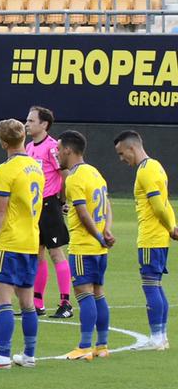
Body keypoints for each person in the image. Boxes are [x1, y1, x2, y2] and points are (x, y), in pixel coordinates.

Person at [0, 119, 45, 369]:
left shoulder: (7, 169)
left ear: (3, 143)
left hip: (10, 242)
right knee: (27, 301)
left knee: (2, 295)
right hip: (30, 241)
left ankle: (3, 355)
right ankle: (29, 355)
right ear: (23, 137)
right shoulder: (36, 167)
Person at [113, 130, 177, 350]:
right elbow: (166, 203)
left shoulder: (146, 170)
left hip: (151, 237)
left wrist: (171, 227)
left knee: (150, 286)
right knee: (156, 285)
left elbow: (158, 206)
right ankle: (161, 337)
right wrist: (172, 227)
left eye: (122, 153)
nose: (121, 159)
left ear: (132, 148)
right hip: (159, 237)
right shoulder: (155, 166)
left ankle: (156, 338)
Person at [59, 131, 115, 360]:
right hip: (100, 249)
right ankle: (102, 346)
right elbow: (106, 204)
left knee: (84, 294)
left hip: (84, 246)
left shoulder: (73, 178)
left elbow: (83, 214)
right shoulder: (94, 172)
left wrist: (99, 236)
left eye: (58, 149)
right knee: (98, 293)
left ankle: (83, 347)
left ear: (68, 150)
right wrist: (106, 231)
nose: (57, 153)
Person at [24, 106, 74, 319]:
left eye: (31, 120)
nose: (27, 124)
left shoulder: (52, 148)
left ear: (44, 124)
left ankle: (65, 303)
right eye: (27, 120)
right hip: (34, 207)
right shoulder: (28, 147)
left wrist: (62, 201)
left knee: (56, 252)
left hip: (49, 205)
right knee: (37, 253)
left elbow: (65, 174)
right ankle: (37, 303)